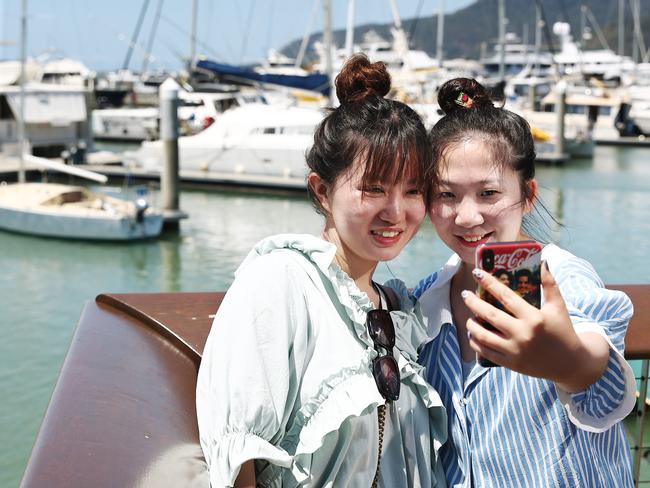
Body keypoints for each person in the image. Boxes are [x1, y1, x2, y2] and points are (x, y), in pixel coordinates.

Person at [196, 54, 447, 488]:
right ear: (322, 191)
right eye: (373, 188)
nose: (396, 212)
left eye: (413, 190)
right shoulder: (282, 280)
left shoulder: (397, 306)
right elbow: (240, 455)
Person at [413, 78, 636, 487]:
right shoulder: (423, 301)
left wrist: (568, 361)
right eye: (446, 195)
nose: (466, 216)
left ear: (527, 194)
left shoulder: (562, 279)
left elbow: (604, 389)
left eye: (488, 193)